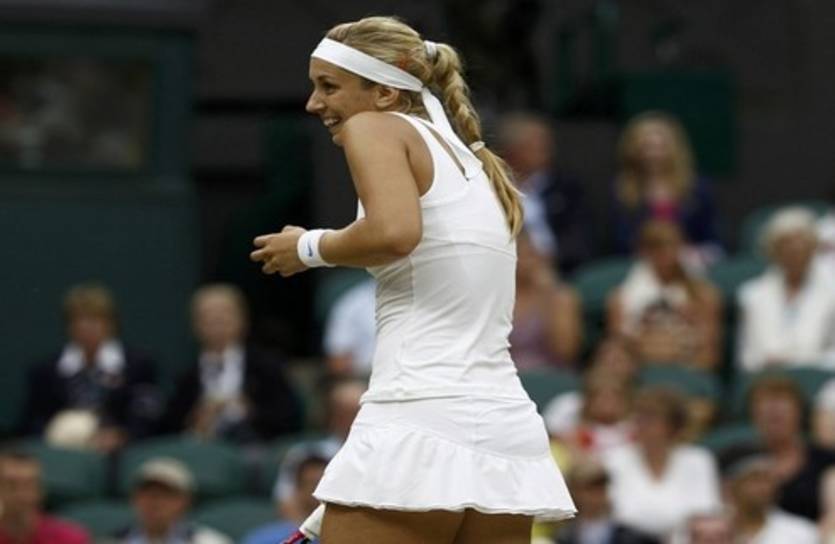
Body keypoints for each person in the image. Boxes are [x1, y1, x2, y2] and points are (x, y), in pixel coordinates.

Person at [249, 15, 575, 543]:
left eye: (329, 86)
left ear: (384, 92)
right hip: (504, 435)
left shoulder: (375, 126)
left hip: (419, 418)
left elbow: (395, 232)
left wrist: (308, 247)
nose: (313, 103)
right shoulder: (478, 166)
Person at [20, 283, 161, 452]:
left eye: (93, 319)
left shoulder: (137, 365)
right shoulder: (46, 371)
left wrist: (122, 435)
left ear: (111, 324)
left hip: (120, 453)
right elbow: (34, 420)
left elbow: (146, 414)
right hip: (63, 451)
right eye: (77, 320)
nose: (84, 327)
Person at [161, 284, 303, 442]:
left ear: (243, 320)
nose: (217, 322)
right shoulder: (185, 376)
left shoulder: (267, 367)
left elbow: (290, 419)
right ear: (195, 324)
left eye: (224, 314)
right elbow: (167, 426)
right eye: (208, 316)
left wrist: (249, 409)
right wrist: (198, 416)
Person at [602, 387, 721, 539]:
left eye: (650, 419)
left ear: (673, 426)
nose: (641, 425)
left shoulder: (698, 460)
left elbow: (705, 512)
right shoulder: (614, 459)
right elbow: (619, 514)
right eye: (638, 418)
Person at [607, 220, 722, 370]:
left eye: (674, 246)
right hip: (639, 368)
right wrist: (655, 349)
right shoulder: (620, 298)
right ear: (643, 251)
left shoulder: (704, 294)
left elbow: (709, 350)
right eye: (658, 247)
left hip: (687, 368)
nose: (668, 253)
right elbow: (620, 344)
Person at [611, 111, 722, 265]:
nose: (653, 154)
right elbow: (619, 245)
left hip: (691, 266)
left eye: (660, 147)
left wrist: (692, 255)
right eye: (646, 147)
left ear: (674, 149)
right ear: (634, 150)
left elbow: (715, 242)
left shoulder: (698, 188)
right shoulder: (622, 191)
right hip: (641, 266)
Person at [737, 207, 835, 371]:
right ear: (773, 250)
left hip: (818, 378)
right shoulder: (752, 295)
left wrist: (797, 361)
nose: (795, 250)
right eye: (786, 243)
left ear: (813, 248)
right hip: (767, 378)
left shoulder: (832, 292)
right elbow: (747, 359)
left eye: (802, 243)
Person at [495, 112, 594, 274]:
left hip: (561, 269)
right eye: (535, 145)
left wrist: (549, 257)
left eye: (546, 144)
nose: (546, 151)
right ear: (511, 150)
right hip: (509, 267)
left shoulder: (566, 188)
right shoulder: (493, 190)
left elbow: (581, 238)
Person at [271, 378, 365, 519]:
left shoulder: (385, 456)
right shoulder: (304, 454)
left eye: (362, 412)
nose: (358, 418)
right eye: (350, 412)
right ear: (334, 415)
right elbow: (286, 503)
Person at [748, 374, 835, 521]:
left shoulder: (826, 460)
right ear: (754, 416)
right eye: (768, 416)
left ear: (799, 413)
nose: (774, 412)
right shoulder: (737, 459)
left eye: (780, 416)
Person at [115, 457, 231, 544]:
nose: (155, 503)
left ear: (186, 501)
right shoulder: (111, 540)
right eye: (148, 495)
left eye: (165, 495)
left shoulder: (211, 541)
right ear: (133, 499)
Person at [511, 231, 582, 370]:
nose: (527, 261)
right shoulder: (495, 297)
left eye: (530, 254)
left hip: (549, 373)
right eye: (520, 254)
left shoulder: (559, 297)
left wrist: (547, 297)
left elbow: (566, 352)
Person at [718, 445, 818, 543]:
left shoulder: (802, 533)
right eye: (755, 479)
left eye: (768, 480)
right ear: (730, 486)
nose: (764, 488)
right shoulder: (713, 533)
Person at [553, 459, 660, 544]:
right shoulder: (564, 537)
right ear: (575, 492)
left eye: (600, 487)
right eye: (589, 489)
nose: (595, 495)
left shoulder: (631, 536)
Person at [0, 450, 90, 544]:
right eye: (11, 485)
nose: (21, 494)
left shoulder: (70, 538)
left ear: (41, 490)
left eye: (29, 485)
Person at [243, 454, 328, 544]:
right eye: (313, 484)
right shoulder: (267, 539)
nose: (321, 492)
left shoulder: (337, 536)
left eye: (326, 484)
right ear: (299, 489)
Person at [323, 277, 376, 377]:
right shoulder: (354, 302)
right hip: (367, 377)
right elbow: (337, 361)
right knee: (349, 387)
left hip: (406, 373)